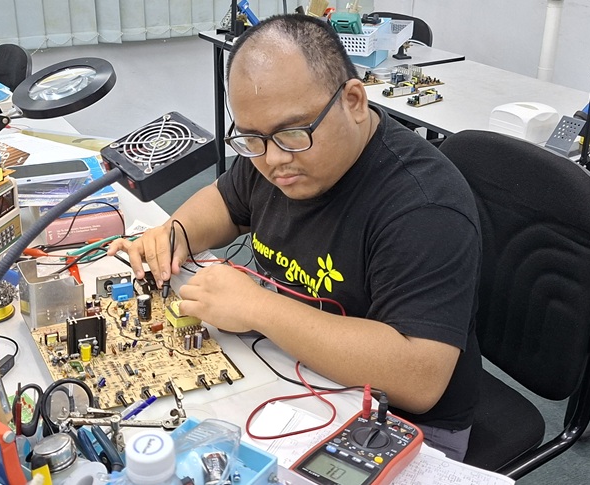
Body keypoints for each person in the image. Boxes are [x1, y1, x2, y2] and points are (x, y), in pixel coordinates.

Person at [109, 14, 481, 461]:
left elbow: (419, 378)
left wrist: (258, 307)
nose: (272, 161)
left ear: (354, 101)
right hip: (295, 362)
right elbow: (225, 201)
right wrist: (176, 233)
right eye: (251, 139)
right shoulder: (276, 149)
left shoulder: (425, 205)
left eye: (292, 133)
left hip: (399, 421)